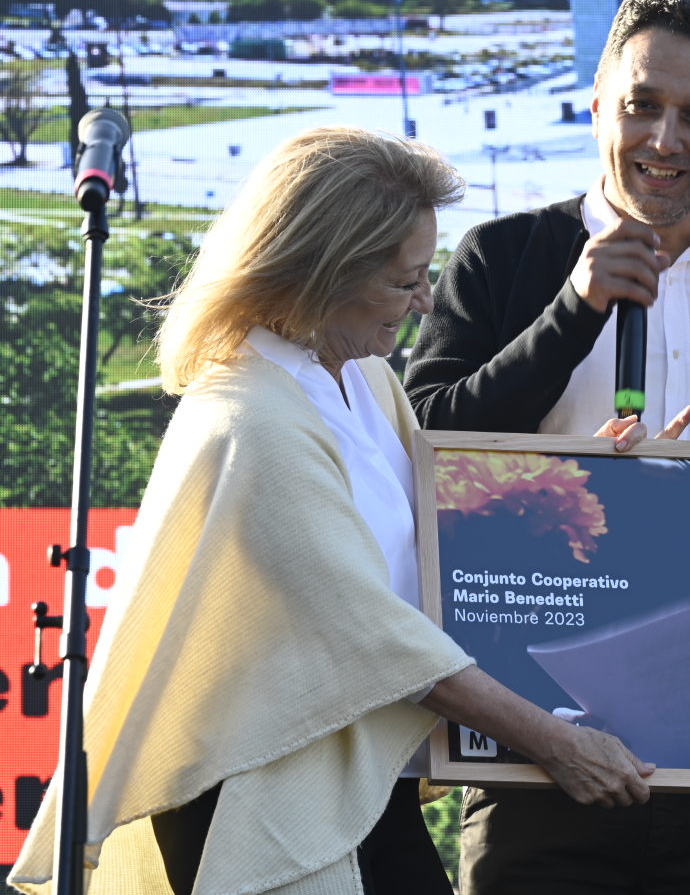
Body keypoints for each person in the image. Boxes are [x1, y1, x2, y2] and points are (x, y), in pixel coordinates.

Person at [7, 127, 655, 895]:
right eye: (403, 280)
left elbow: (445, 524)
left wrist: (592, 472)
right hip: (264, 789)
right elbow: (377, 639)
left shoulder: (368, 378)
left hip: (353, 781)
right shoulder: (251, 420)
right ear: (318, 275)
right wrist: (558, 743)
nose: (423, 300)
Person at [404, 0, 690, 895]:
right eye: (641, 105)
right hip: (536, 751)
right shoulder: (503, 259)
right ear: (598, 102)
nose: (664, 141)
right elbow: (425, 445)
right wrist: (575, 310)